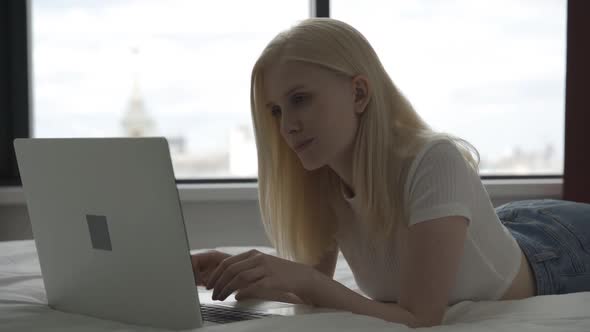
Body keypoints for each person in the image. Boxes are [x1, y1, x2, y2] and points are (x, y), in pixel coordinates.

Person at [190, 18, 590, 328]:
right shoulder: (322, 179)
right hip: (491, 228)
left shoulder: (435, 161)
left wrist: (306, 281)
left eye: (300, 100)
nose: (287, 126)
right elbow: (313, 289)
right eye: (276, 110)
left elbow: (420, 318)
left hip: (560, 249)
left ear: (359, 93)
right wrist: (240, 271)